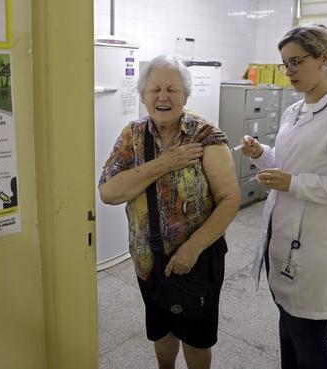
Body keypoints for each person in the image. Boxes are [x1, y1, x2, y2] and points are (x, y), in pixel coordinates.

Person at [241, 24, 327, 369]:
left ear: (324, 59)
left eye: (296, 62)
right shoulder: (293, 111)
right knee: (288, 327)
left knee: (309, 338)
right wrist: (261, 154)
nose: (289, 72)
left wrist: (295, 183)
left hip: (318, 247)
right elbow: (287, 168)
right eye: (285, 64)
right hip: (283, 235)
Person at [99, 55, 240, 369]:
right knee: (161, 332)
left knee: (195, 338)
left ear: (186, 96)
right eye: (155, 89)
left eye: (172, 90)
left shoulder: (206, 137)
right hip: (147, 261)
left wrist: (191, 249)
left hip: (196, 261)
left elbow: (230, 200)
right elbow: (108, 192)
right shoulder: (132, 135)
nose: (163, 96)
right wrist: (166, 163)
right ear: (143, 95)